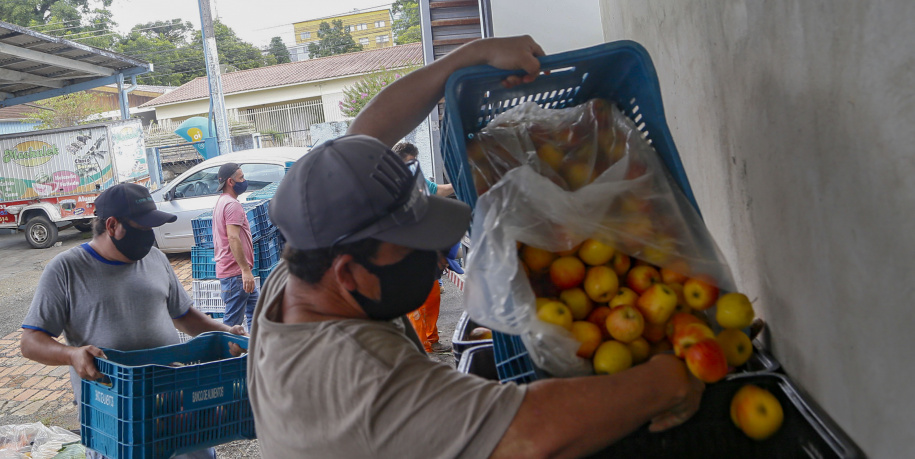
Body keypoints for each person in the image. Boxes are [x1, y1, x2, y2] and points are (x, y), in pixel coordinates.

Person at [247, 36, 704, 458]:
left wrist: (473, 54)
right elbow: (536, 431)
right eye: (410, 245)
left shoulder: (299, 273)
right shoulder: (361, 385)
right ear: (347, 273)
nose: (429, 257)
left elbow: (366, 137)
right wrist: (668, 381)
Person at [20, 182, 245, 459]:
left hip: (173, 398)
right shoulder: (66, 270)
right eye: (142, 228)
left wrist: (226, 332)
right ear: (112, 225)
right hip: (113, 408)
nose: (149, 236)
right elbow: (30, 342)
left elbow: (185, 316)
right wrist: (71, 354)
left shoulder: (154, 258)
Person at [392, 140, 451, 353]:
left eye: (415, 162)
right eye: (409, 163)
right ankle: (421, 348)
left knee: (432, 295)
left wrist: (460, 183)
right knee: (416, 302)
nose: (413, 167)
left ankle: (432, 339)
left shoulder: (419, 182)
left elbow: (438, 191)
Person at [213, 162, 259, 331]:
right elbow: (233, 238)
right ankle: (222, 355)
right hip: (236, 275)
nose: (244, 181)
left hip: (236, 275)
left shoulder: (222, 202)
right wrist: (245, 271)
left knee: (257, 311)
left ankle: (256, 349)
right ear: (230, 182)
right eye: (241, 178)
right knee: (231, 326)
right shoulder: (232, 205)